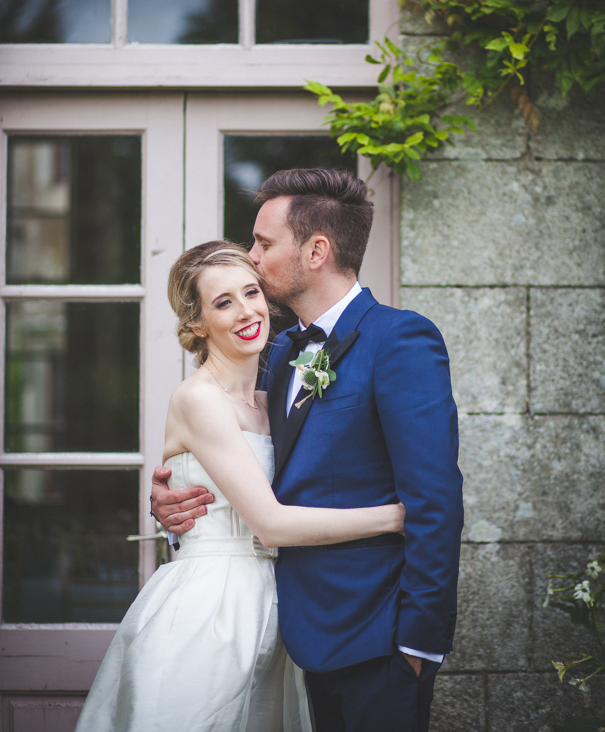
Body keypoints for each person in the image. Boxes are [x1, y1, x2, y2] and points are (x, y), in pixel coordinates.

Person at [152, 168, 464, 732]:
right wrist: (182, 509)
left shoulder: (400, 341)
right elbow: (249, 472)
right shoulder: (280, 352)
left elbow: (435, 499)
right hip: (286, 637)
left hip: (377, 639)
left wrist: (419, 643)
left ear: (316, 250)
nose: (251, 256)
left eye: (263, 243)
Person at [76, 241, 404, 732]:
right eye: (223, 302)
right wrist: (399, 516)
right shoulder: (199, 400)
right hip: (213, 609)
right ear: (196, 325)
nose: (246, 310)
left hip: (278, 605)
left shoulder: (273, 398)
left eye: (251, 292)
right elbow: (270, 523)